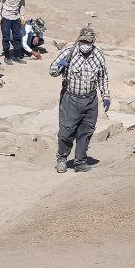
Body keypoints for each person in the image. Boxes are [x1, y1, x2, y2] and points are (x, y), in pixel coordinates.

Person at [49, 26, 111, 173]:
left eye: (89, 42)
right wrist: (58, 67)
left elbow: (103, 77)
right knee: (66, 131)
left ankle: (80, 161)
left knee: (86, 131)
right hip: (71, 99)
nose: (86, 45)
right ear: (79, 39)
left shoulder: (98, 55)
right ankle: (62, 158)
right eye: (84, 41)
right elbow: (52, 70)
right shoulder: (69, 51)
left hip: (90, 100)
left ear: (93, 42)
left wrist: (106, 95)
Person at [0, 0, 31, 65]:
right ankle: (7, 56)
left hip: (16, 17)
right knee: (6, 37)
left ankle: (16, 56)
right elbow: (0, 1)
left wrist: (22, 16)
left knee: (18, 37)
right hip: (6, 17)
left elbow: (22, 4)